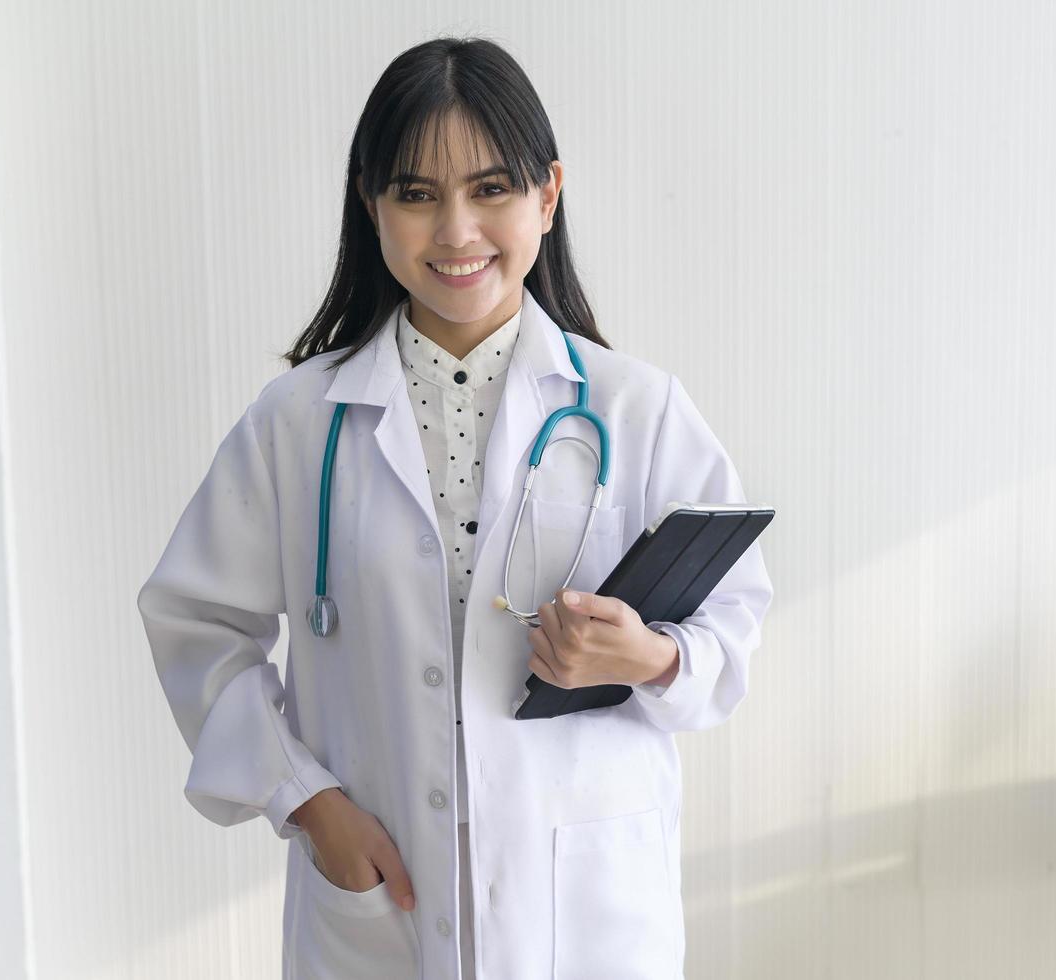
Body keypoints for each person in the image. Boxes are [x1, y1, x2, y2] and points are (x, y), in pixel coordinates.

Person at [136, 35, 772, 980]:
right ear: (371, 204)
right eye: (417, 195)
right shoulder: (298, 425)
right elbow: (194, 624)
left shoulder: (635, 409)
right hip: (378, 898)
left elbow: (734, 618)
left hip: (586, 909)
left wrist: (646, 654)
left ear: (547, 195)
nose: (456, 232)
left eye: (491, 190)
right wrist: (307, 801)